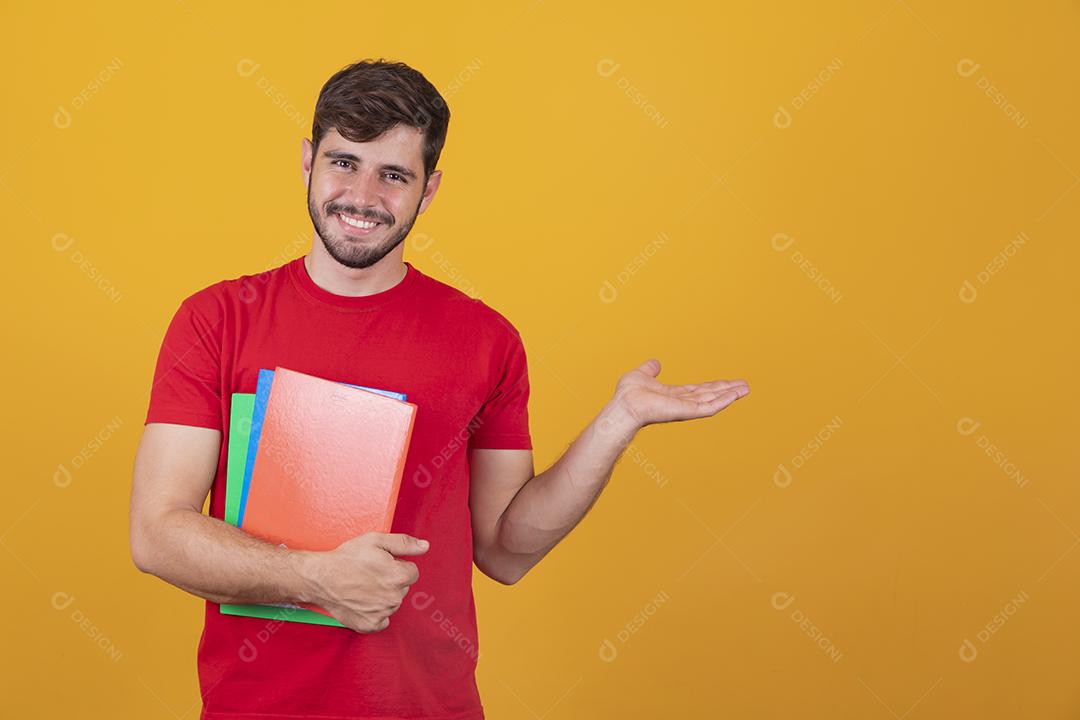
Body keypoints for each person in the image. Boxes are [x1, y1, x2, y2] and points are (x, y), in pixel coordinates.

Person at [129, 58, 750, 720]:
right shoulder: (217, 320)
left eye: (393, 175)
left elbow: (506, 550)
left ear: (428, 190)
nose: (363, 194)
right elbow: (157, 532)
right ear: (307, 161)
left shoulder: (485, 340)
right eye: (344, 162)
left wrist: (617, 422)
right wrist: (312, 576)